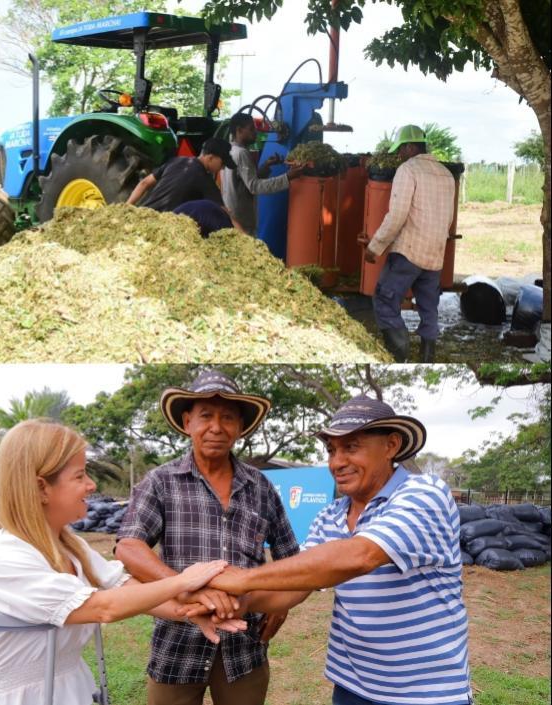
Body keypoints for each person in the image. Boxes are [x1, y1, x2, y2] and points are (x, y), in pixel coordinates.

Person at [205, 395, 469, 705]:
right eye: (332, 450)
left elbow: (360, 556)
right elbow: (300, 582)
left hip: (425, 692)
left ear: (391, 445)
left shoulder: (424, 493)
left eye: (351, 447)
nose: (337, 462)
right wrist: (232, 603)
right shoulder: (330, 515)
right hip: (351, 685)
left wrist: (242, 580)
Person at [0, 419, 247, 705]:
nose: (92, 485)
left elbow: (123, 585)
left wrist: (186, 611)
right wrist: (184, 580)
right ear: (40, 488)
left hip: (71, 688)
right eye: (79, 476)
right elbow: (104, 606)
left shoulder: (72, 547)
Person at [115, 370, 300, 705]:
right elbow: (128, 546)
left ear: (240, 427)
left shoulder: (261, 486)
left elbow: (291, 558)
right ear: (188, 422)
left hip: (245, 648)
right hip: (177, 646)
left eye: (228, 417)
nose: (216, 427)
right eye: (206, 416)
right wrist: (185, 586)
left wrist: (280, 603)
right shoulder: (161, 481)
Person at [361, 124, 456, 363]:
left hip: (408, 252)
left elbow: (397, 215)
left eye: (401, 150)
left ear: (411, 147)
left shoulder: (408, 170)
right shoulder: (446, 174)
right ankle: (426, 357)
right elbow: (449, 218)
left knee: (384, 299)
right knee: (428, 308)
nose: (399, 155)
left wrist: (375, 247)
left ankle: (399, 354)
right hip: (435, 253)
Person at [221, 112, 303, 234]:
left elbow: (244, 182)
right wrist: (288, 177)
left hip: (232, 218)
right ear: (239, 130)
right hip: (242, 224)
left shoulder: (230, 150)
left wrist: (266, 165)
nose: (256, 132)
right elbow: (254, 187)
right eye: (251, 129)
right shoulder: (242, 153)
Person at [126, 137, 237, 214]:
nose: (222, 168)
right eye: (222, 164)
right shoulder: (205, 180)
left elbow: (144, 183)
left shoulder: (175, 161)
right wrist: (245, 237)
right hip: (164, 227)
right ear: (210, 158)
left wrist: (125, 208)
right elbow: (224, 213)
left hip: (145, 215)